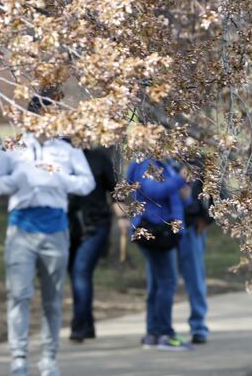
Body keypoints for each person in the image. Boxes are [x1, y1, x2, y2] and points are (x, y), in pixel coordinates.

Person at [0, 91, 95, 376]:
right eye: (40, 115)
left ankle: (49, 358)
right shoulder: (14, 145)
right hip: (22, 225)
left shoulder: (68, 149)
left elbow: (87, 183)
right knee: (19, 294)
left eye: (51, 115)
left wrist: (61, 179)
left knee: (53, 298)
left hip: (55, 226)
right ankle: (19, 358)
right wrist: (16, 179)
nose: (46, 120)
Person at [126, 157, 193, 352]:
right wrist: (179, 179)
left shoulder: (166, 165)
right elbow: (153, 191)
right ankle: (164, 334)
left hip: (165, 232)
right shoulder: (145, 164)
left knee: (158, 284)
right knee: (167, 282)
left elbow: (180, 199)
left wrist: (185, 191)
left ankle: (152, 334)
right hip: (153, 231)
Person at [67, 147, 116, 342]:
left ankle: (78, 326)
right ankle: (87, 324)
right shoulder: (62, 155)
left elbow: (115, 190)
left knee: (81, 271)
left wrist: (122, 218)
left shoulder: (99, 158)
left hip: (95, 225)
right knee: (75, 273)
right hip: (70, 226)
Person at [178, 165, 213, 344]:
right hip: (164, 226)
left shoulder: (196, 161)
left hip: (192, 226)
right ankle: (160, 328)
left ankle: (198, 326)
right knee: (163, 282)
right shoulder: (156, 158)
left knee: (195, 279)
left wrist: (206, 219)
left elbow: (216, 192)